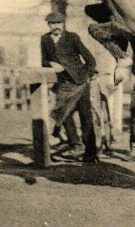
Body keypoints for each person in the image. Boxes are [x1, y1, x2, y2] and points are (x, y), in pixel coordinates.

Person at [40, 12, 99, 163]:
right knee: (63, 115)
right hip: (63, 85)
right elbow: (44, 61)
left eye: (59, 23)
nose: (56, 26)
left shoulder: (72, 37)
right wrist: (51, 64)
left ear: (63, 24)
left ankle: (91, 153)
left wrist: (87, 74)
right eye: (52, 24)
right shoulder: (45, 39)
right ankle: (75, 145)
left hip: (80, 83)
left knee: (85, 117)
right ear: (48, 25)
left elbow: (90, 60)